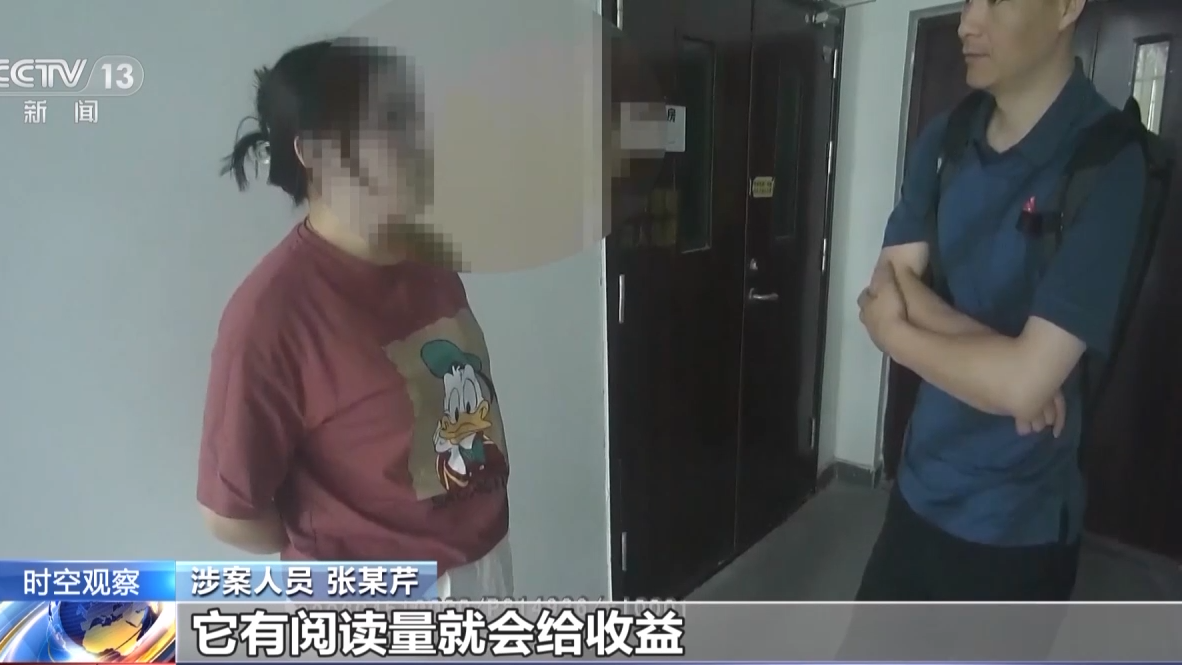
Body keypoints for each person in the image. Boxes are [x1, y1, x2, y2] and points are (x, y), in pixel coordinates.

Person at [196, 38, 513, 599]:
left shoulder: (428, 260)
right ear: (314, 153)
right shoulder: (271, 316)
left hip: (484, 567)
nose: (420, 141)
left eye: (415, 116)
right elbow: (230, 516)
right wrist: (351, 548)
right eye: (390, 121)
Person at [855, 0, 1145, 600]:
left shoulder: (1108, 161)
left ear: (1066, 8)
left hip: (1018, 528)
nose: (967, 22)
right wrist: (1012, 369)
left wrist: (895, 333)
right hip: (919, 490)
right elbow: (890, 282)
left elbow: (1020, 381)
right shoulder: (946, 139)